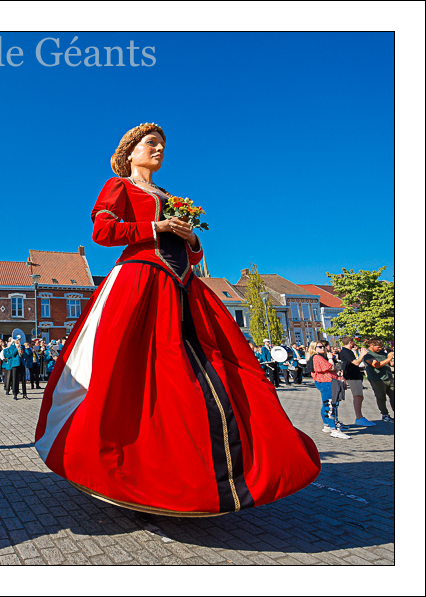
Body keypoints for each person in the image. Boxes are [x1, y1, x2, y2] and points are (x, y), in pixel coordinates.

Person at [35, 123, 320, 517]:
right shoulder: (119, 186)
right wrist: (157, 226)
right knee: (132, 372)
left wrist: (190, 237)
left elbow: (195, 254)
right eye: (151, 143)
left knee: (215, 368)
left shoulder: (171, 198)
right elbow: (103, 231)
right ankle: (120, 466)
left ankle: (208, 470)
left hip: (185, 285)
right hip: (141, 279)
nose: (159, 150)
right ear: (130, 152)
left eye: (163, 146)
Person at [306, 342, 349, 438]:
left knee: (326, 404)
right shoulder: (317, 357)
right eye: (320, 347)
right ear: (314, 348)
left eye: (323, 346)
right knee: (330, 405)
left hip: (325, 382)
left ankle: (327, 426)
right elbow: (331, 367)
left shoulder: (316, 357)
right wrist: (330, 358)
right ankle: (334, 429)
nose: (323, 348)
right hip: (326, 382)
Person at [338, 336, 373, 426]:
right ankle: (359, 418)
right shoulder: (346, 351)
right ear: (350, 342)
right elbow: (356, 363)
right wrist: (362, 355)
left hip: (354, 376)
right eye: (353, 341)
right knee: (358, 396)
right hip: (352, 376)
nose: (354, 343)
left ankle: (360, 416)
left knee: (359, 396)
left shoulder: (347, 351)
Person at [363, 338, 395, 422]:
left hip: (388, 377)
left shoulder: (382, 352)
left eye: (381, 347)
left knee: (394, 396)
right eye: (378, 347)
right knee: (381, 397)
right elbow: (376, 365)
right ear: (371, 345)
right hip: (377, 379)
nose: (380, 349)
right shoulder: (367, 354)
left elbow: (390, 363)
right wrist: (388, 358)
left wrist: (392, 358)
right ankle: (385, 415)